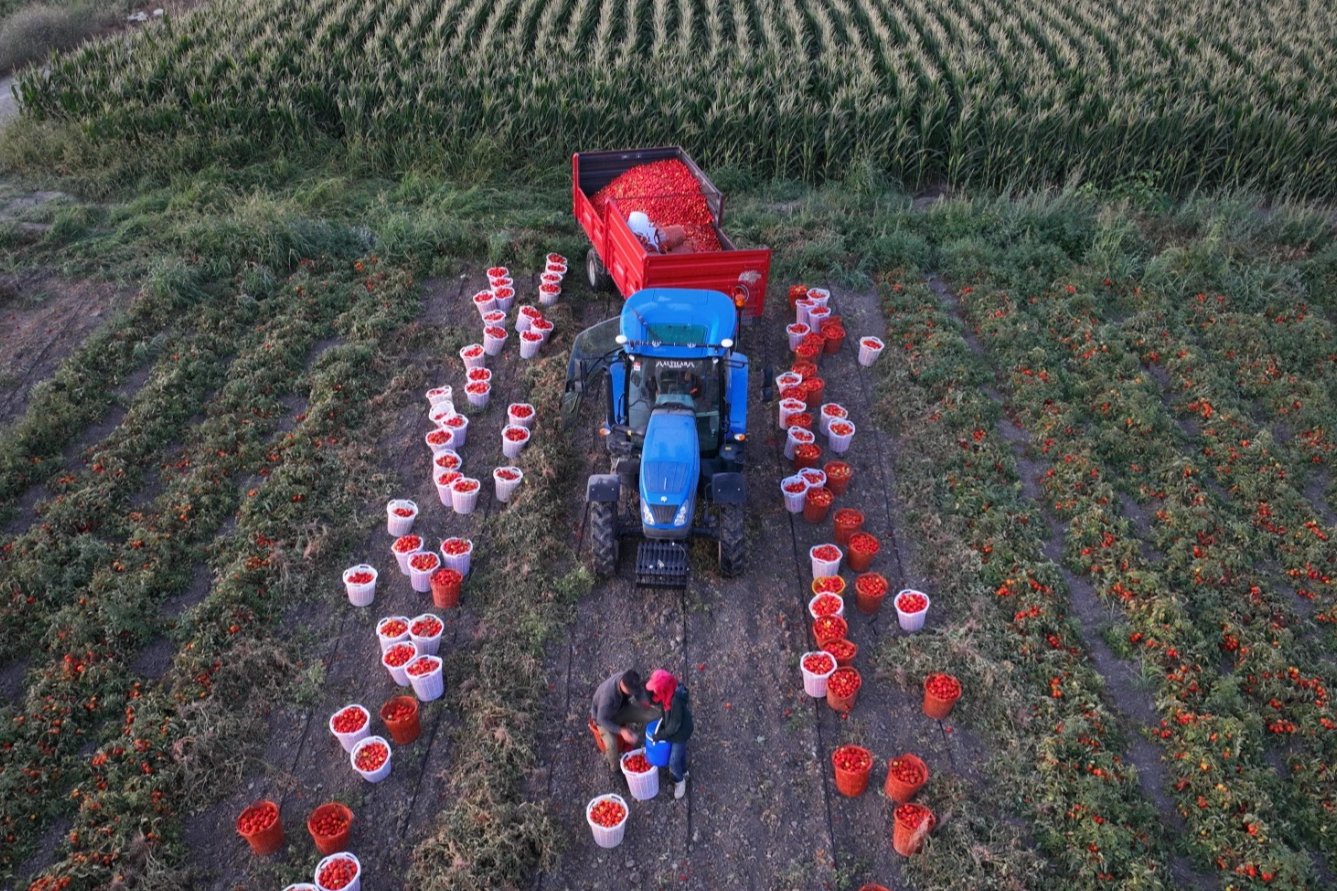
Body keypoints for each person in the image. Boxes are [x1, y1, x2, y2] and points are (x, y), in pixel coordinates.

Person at [590, 669, 658, 771]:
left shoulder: (629, 679)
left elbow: (639, 694)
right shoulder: (608, 696)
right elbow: (601, 719)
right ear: (623, 686)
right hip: (604, 719)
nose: (634, 693)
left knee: (651, 715)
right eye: (632, 692)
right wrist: (621, 731)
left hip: (621, 709)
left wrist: (646, 704)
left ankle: (665, 723)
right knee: (611, 745)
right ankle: (616, 768)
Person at [646, 668, 694, 799]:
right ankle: (684, 771)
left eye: (655, 688)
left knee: (673, 761)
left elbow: (674, 726)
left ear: (663, 688)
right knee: (680, 754)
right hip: (677, 728)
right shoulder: (667, 693)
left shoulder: (676, 701)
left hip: (680, 732)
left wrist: (660, 734)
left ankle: (679, 781)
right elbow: (657, 703)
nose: (654, 691)